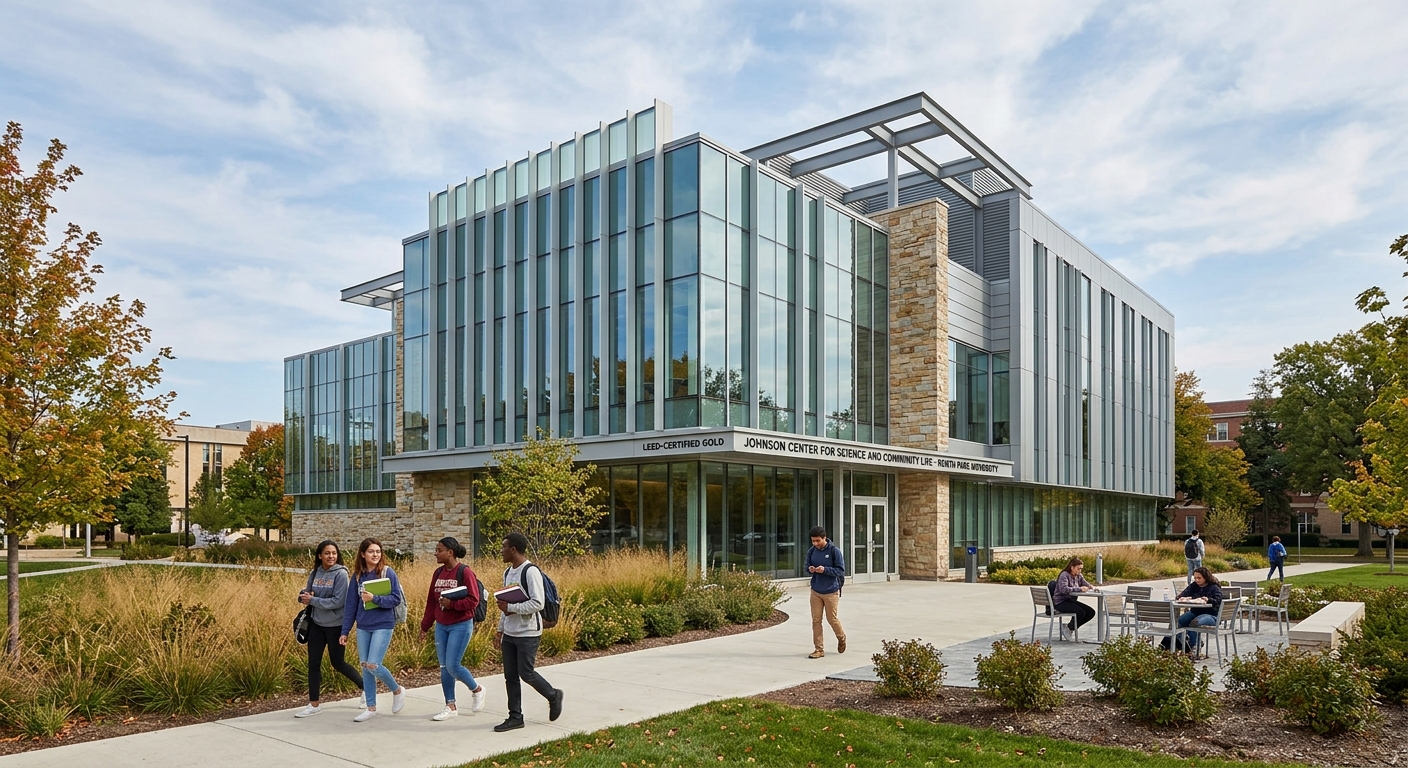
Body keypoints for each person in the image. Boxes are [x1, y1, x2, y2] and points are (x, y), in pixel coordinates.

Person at [492, 532, 563, 732]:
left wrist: (512, 608)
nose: (501, 551)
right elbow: (505, 604)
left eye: (504, 547)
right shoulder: (508, 572)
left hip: (529, 632)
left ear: (513, 549)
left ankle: (553, 695)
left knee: (526, 673)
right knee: (510, 676)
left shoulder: (530, 572)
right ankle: (515, 717)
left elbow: (538, 603)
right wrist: (500, 630)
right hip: (510, 633)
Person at [294, 540, 365, 718]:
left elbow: (338, 601)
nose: (331, 556)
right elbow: (310, 592)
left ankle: (366, 689)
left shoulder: (341, 574)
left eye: (333, 553)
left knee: (338, 663)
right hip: (316, 624)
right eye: (327, 553)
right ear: (320, 555)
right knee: (313, 664)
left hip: (336, 625)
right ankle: (314, 704)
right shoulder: (315, 572)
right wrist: (304, 595)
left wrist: (313, 600)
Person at [339, 537, 406, 722]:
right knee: (365, 667)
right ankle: (371, 707)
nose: (375, 554)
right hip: (363, 626)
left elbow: (395, 599)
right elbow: (351, 605)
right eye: (371, 551)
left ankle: (397, 690)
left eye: (378, 551)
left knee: (374, 664)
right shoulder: (358, 576)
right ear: (363, 554)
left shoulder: (387, 572)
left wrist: (374, 598)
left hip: (383, 624)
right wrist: (345, 631)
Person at [420, 536, 487, 721]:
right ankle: (450, 705)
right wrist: (425, 626)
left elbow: (474, 600)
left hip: (461, 624)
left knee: (452, 665)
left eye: (439, 550)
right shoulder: (438, 573)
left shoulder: (465, 572)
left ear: (450, 552)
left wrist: (452, 604)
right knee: (444, 667)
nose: (436, 553)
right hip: (442, 626)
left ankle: (477, 689)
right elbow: (431, 602)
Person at [804, 526, 847, 659]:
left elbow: (840, 570)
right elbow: (805, 567)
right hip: (815, 590)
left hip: (831, 591)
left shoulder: (834, 551)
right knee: (816, 620)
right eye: (813, 541)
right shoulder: (811, 551)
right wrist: (810, 569)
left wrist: (825, 570)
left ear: (824, 538)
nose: (815, 543)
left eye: (818, 541)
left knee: (831, 619)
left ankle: (841, 638)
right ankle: (819, 649)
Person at [1175, 565, 1223, 656]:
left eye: (1199, 578)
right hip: (1195, 612)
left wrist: (1208, 599)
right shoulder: (1194, 585)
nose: (1197, 580)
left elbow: (1218, 600)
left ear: (1205, 577)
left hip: (1211, 614)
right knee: (1179, 621)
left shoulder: (1214, 587)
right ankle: (1190, 644)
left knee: (1195, 623)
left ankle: (1195, 647)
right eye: (1195, 578)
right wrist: (1181, 597)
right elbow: (1183, 594)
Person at [1051, 557, 1097, 638]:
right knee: (1081, 612)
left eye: (1081, 569)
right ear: (1072, 567)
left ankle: (1069, 628)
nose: (1080, 571)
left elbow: (1085, 583)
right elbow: (1063, 589)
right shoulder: (1064, 575)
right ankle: (1069, 628)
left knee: (1091, 612)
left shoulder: (1078, 576)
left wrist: (1091, 587)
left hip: (1070, 601)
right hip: (1061, 602)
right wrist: (1080, 589)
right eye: (1078, 569)